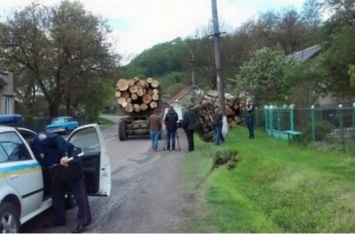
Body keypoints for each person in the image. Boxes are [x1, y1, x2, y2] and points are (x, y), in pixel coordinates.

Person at [31, 132, 91, 233]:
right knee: (56, 192)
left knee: (78, 191)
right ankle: (59, 220)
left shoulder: (40, 138)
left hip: (69, 158)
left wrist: (65, 155)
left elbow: (59, 139)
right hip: (56, 167)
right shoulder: (32, 150)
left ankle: (83, 221)